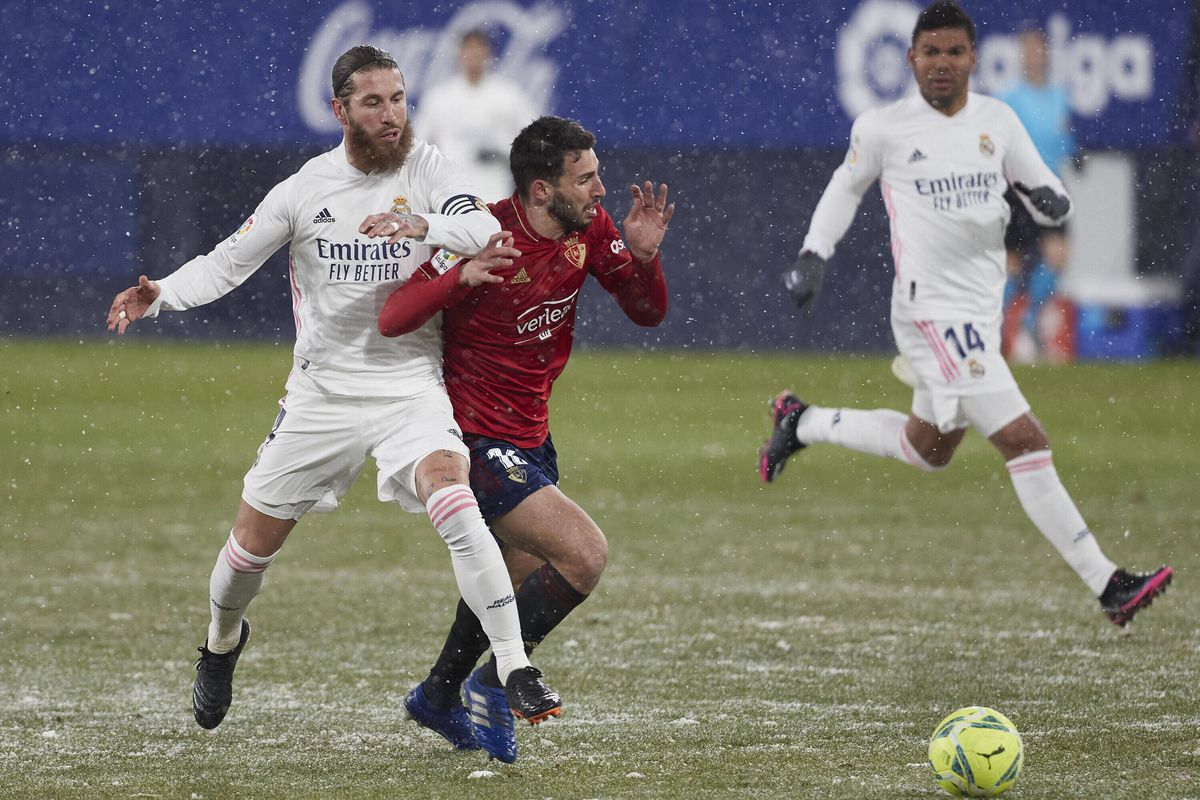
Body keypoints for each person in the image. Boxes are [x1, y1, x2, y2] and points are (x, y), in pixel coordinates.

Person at [104, 44, 561, 733]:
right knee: (244, 559)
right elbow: (227, 263)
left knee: (454, 496)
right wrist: (161, 294)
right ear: (339, 110)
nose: (391, 115)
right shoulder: (304, 190)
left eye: (399, 99)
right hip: (321, 398)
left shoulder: (430, 169)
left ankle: (513, 665)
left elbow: (482, 229)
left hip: (410, 386)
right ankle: (221, 644)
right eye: (373, 101)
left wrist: (423, 224)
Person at [760, 1, 1172, 627]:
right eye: (931, 53)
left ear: (974, 59)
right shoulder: (884, 128)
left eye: (955, 52)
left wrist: (1049, 198)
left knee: (928, 449)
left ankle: (803, 422)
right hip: (929, 309)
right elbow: (844, 188)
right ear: (911, 59)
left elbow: (1048, 198)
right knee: (1024, 440)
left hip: (978, 312)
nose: (943, 64)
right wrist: (814, 255)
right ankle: (1108, 582)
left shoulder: (998, 121)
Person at [377, 115, 674, 762]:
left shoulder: (588, 229)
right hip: (472, 438)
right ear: (542, 190)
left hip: (531, 433)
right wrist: (456, 277)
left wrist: (645, 259)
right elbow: (394, 316)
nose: (601, 192)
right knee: (583, 556)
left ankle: (436, 693)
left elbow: (648, 311)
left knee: (514, 574)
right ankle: (496, 678)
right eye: (586, 178)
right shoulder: (480, 235)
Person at [997, 26, 1077, 362]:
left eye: (1038, 49)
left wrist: (1075, 154)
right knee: (1010, 265)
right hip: (1018, 189)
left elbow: (1062, 137)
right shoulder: (1009, 98)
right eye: (1027, 50)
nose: (1034, 55)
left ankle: (1029, 318)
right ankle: (994, 331)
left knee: (1057, 257)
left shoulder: (1059, 95)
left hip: (1052, 187)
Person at [413, 29, 540, 203]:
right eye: (468, 50)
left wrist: (504, 153)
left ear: (488, 54)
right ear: (459, 54)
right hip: (451, 192)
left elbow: (534, 137)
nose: (473, 56)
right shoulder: (439, 97)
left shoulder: (508, 95)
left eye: (478, 50)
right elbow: (418, 143)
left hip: (495, 189)